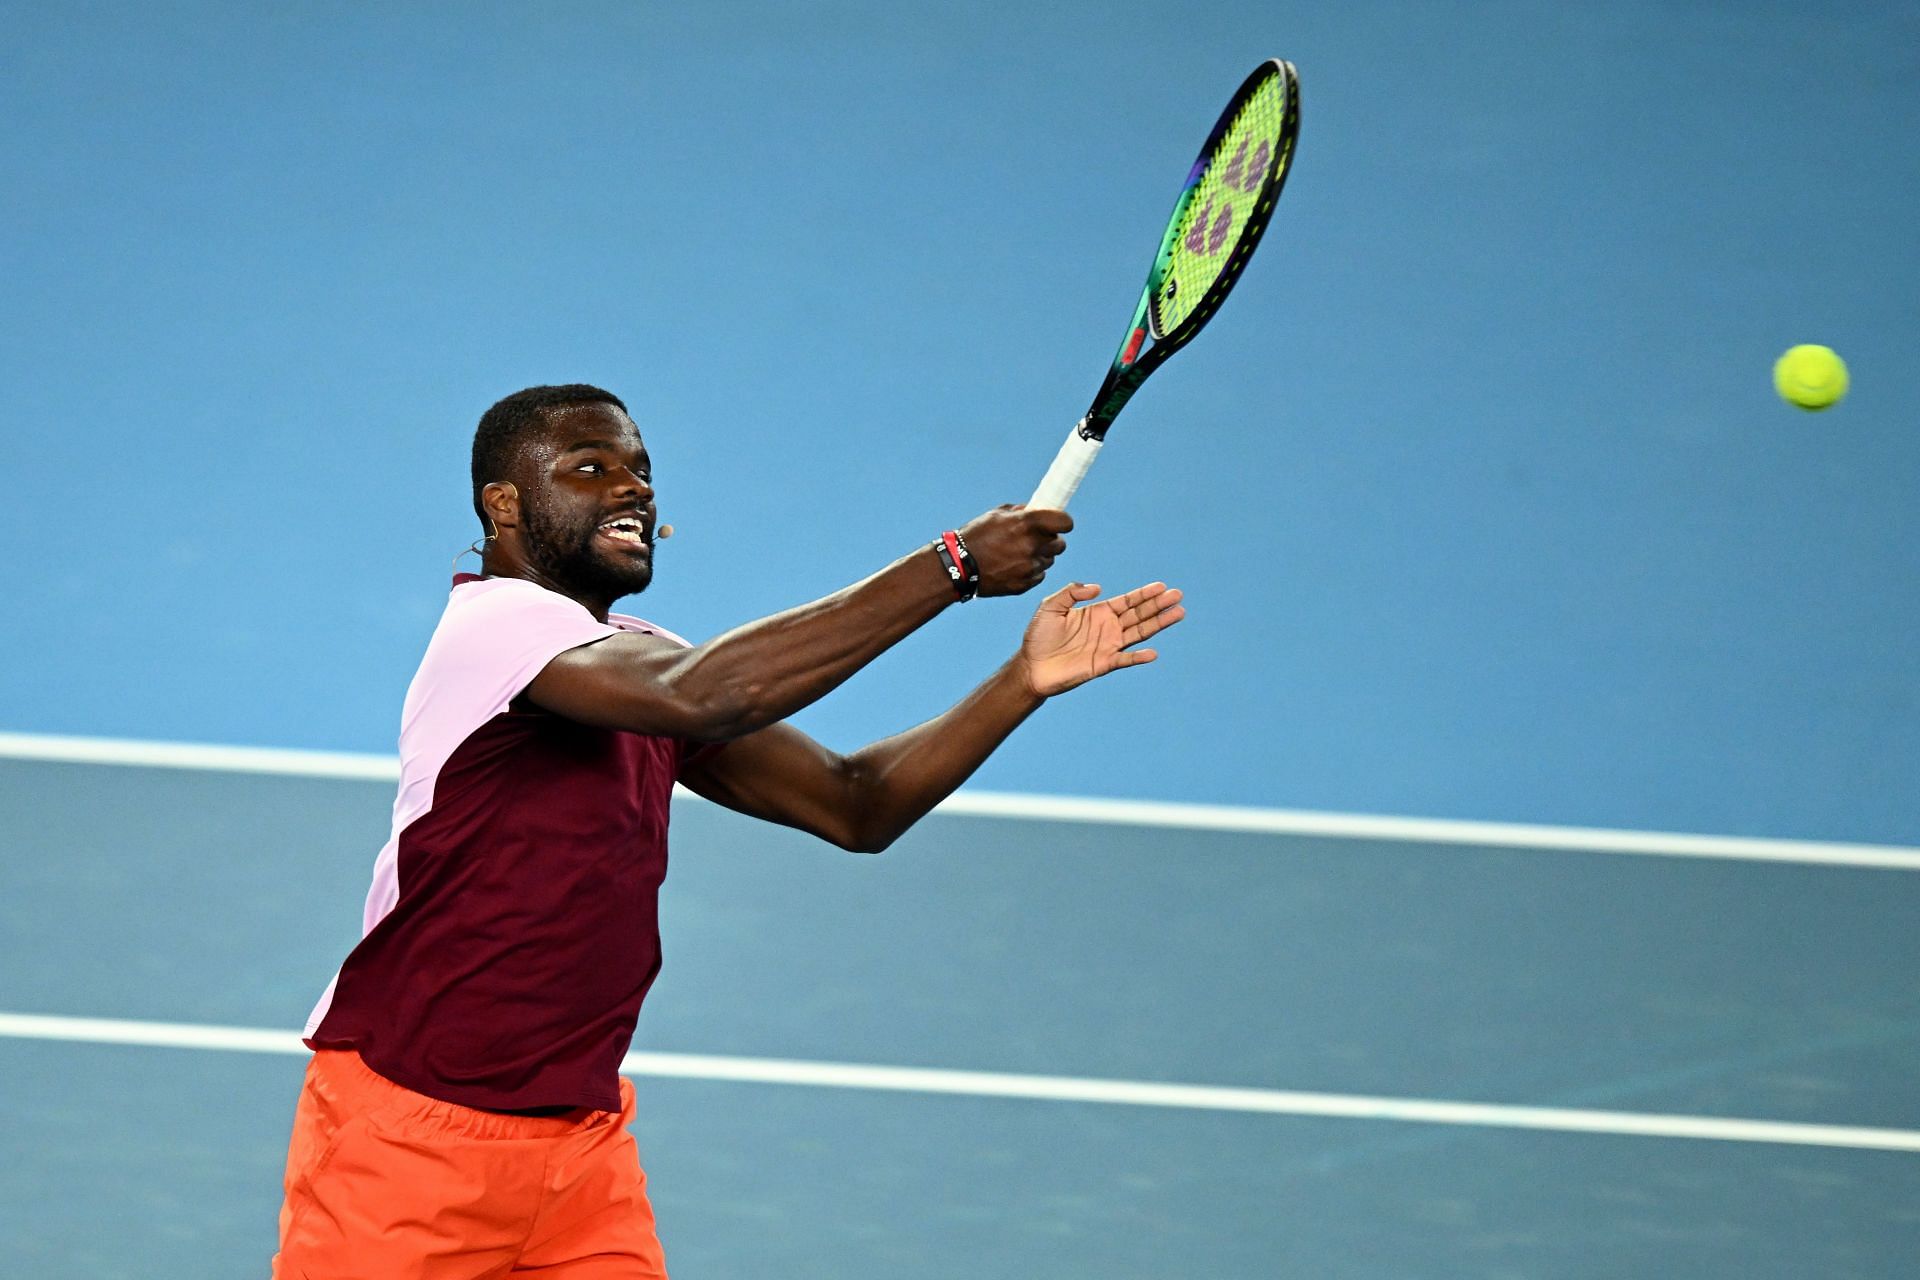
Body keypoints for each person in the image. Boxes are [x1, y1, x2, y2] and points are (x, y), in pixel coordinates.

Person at [271, 383, 1185, 1278]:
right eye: (590, 468)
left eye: (641, 470)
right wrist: (951, 564)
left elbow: (855, 802)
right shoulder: (496, 630)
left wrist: (1018, 684)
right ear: (502, 504)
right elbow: (711, 692)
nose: (632, 487)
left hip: (579, 1156)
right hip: (406, 1149)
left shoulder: (636, 664)